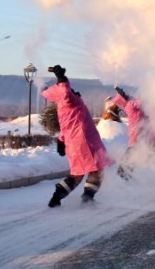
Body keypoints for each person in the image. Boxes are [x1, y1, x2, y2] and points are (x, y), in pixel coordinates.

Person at [42, 65, 114, 207]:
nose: (74, 92)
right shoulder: (69, 102)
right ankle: (87, 198)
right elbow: (66, 93)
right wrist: (61, 78)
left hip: (74, 144)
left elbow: (66, 127)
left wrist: (61, 141)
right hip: (86, 144)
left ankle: (56, 198)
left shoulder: (63, 107)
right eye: (71, 90)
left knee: (77, 174)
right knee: (97, 170)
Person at [111, 85, 155, 179]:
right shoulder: (131, 105)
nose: (126, 93)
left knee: (132, 154)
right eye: (124, 94)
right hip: (137, 135)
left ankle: (124, 174)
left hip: (137, 134)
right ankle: (123, 175)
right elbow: (142, 102)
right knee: (132, 155)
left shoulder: (129, 105)